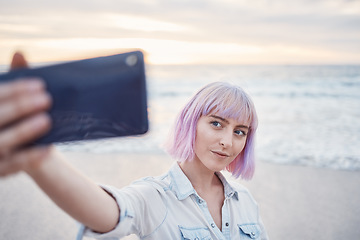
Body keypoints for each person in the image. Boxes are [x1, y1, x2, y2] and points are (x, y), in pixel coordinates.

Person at [0, 52, 269, 239]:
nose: (227, 141)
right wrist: (42, 161)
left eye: (240, 131)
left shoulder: (244, 201)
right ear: (191, 122)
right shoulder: (154, 197)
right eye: (217, 124)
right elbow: (109, 213)